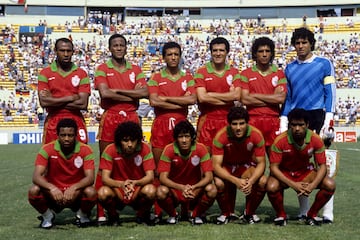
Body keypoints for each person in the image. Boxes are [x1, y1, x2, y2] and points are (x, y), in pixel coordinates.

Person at [280, 27, 336, 221]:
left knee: (325, 163)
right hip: (296, 118)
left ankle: (327, 212)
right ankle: (303, 211)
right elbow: (288, 98)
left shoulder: (324, 63)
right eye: (297, 43)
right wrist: (283, 120)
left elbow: (331, 91)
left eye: (304, 42)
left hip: (318, 115)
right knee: (300, 163)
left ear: (311, 43)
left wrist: (329, 119)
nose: (301, 46)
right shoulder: (289, 68)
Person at [94, 33, 148, 224]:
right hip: (111, 117)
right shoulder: (102, 69)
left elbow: (145, 92)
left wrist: (116, 92)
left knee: (137, 161)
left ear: (126, 48)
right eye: (115, 45)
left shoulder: (135, 69)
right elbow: (104, 93)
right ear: (110, 48)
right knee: (105, 163)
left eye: (121, 45)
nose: (118, 48)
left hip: (132, 117)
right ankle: (101, 211)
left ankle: (141, 207)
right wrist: (131, 95)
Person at [147, 41, 197, 221]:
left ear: (180, 56)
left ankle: (187, 207)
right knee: (159, 170)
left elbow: (191, 100)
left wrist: (165, 98)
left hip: (181, 125)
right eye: (169, 54)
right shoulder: (155, 77)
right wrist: (179, 100)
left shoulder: (188, 77)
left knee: (184, 168)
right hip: (161, 125)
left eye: (176, 54)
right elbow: (154, 101)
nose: (173, 57)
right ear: (164, 57)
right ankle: (159, 210)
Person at [267, 108, 336, 226]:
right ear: (289, 125)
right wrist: (294, 185)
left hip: (305, 172)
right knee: (271, 186)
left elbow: (322, 166)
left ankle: (312, 215)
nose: (297, 128)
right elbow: (274, 168)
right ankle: (281, 215)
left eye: (301, 125)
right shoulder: (280, 140)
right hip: (285, 173)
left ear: (307, 125)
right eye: (293, 125)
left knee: (330, 185)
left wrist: (312, 186)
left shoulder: (315, 139)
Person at [28, 118, 96, 229]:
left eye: (70, 135)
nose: (66, 139)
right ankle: (47, 216)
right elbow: (36, 176)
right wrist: (52, 188)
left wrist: (74, 187)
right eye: (63, 135)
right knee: (34, 191)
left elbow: (90, 178)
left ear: (76, 135)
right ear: (57, 135)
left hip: (75, 194)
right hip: (53, 194)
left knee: (91, 192)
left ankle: (82, 215)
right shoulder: (47, 149)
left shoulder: (86, 150)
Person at [212, 106, 267, 224]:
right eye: (234, 124)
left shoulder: (256, 134)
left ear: (247, 123)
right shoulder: (220, 136)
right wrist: (235, 180)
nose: (238, 128)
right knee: (218, 183)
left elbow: (262, 163)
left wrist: (251, 181)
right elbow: (216, 166)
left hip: (245, 166)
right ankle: (225, 213)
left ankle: (249, 213)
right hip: (226, 166)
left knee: (262, 181)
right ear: (229, 124)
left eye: (242, 123)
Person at [156, 120, 217, 225]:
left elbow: (209, 176)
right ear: (176, 138)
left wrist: (194, 187)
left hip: (195, 190)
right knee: (161, 191)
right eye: (180, 137)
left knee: (212, 189)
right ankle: (173, 215)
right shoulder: (169, 149)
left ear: (192, 137)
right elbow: (162, 177)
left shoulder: (201, 148)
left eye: (187, 136)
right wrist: (181, 187)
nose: (184, 140)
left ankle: (195, 214)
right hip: (175, 190)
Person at [97, 121, 156, 226]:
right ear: (119, 140)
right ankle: (113, 216)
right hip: (117, 189)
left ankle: (142, 215)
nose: (129, 144)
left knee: (151, 190)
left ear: (138, 140)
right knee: (102, 193)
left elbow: (150, 176)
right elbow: (105, 179)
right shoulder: (110, 150)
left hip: (137, 189)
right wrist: (121, 184)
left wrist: (134, 183)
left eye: (133, 140)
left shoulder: (145, 148)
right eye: (125, 140)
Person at [38, 37, 90, 144]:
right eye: (62, 51)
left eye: (69, 51)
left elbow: (83, 104)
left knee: (79, 156)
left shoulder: (81, 73)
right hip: (53, 120)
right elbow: (44, 102)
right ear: (56, 51)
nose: (66, 54)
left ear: (73, 52)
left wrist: (53, 100)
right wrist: (71, 98)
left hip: (76, 120)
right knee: (52, 157)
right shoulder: (45, 73)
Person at [240, 36, 287, 154]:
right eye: (261, 51)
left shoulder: (279, 73)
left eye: (267, 51)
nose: (264, 54)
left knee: (275, 162)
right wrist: (272, 98)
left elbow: (281, 98)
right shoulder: (246, 73)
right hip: (252, 120)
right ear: (255, 54)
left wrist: (254, 96)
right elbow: (245, 99)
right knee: (254, 163)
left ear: (272, 53)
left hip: (273, 121)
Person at [194, 36, 241, 154]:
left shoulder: (234, 72)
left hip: (228, 120)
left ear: (227, 52)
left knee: (228, 158)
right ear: (211, 52)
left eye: (221, 50)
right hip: (207, 120)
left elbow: (237, 96)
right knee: (205, 159)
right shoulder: (201, 72)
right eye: (215, 50)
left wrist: (210, 94)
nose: (218, 53)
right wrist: (228, 98)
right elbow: (202, 98)